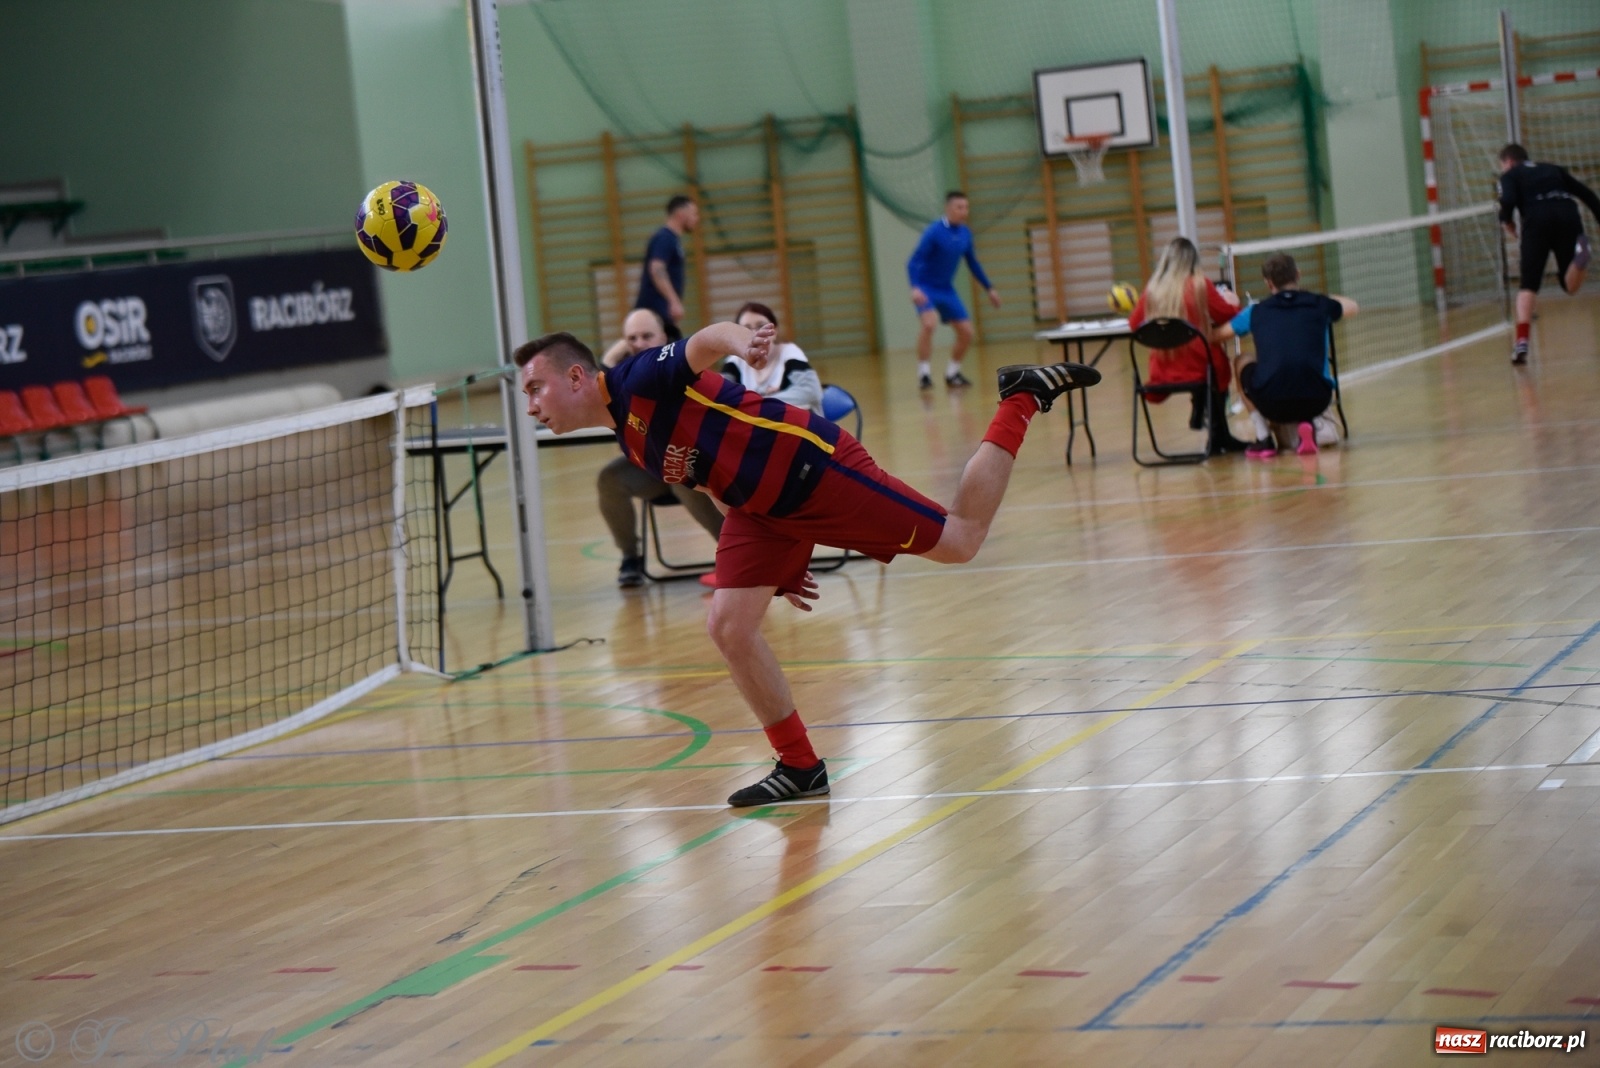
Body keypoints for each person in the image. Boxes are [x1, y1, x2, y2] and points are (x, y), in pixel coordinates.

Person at [517, 324, 1099, 806]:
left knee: (961, 539)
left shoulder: (639, 377)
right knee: (729, 626)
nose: (531, 405)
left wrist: (742, 340)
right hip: (759, 511)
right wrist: (771, 565)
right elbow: (712, 483)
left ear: (574, 376)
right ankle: (800, 768)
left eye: (535, 388)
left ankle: (1020, 398)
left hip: (813, 470)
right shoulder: (631, 440)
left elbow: (703, 341)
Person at [594, 308, 724, 588]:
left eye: (647, 336)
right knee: (610, 479)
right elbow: (598, 393)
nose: (639, 343)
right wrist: (611, 358)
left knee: (682, 481)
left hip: (694, 464)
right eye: (632, 338)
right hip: (652, 467)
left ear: (664, 337)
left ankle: (734, 557)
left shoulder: (680, 364)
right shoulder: (625, 375)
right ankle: (630, 559)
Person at [1213, 253, 1357, 458]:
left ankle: (1264, 438)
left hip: (1271, 404)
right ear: (1298, 274)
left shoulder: (1256, 311)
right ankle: (1307, 421)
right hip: (1318, 399)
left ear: (1268, 283)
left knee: (1241, 360)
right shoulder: (1318, 304)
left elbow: (1217, 335)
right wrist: (1324, 299)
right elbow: (1352, 306)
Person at [1126, 236, 1247, 455]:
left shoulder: (1153, 290)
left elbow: (1135, 324)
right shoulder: (1199, 285)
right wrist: (1233, 301)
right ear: (1192, 260)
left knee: (1206, 364)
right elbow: (1229, 315)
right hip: (1200, 367)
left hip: (1163, 368)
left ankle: (1201, 412)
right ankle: (1219, 432)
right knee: (1216, 363)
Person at [1497, 143, 1600, 364]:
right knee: (1570, 286)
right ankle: (1581, 256)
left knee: (1528, 286)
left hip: (1536, 221)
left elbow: (1507, 200)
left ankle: (1522, 342)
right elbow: (1588, 195)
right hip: (1567, 214)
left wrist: (1505, 220)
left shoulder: (1510, 175)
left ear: (1509, 162)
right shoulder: (1553, 169)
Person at [907, 191, 1001, 391]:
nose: (964, 211)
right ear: (948, 209)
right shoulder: (934, 232)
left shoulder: (965, 233)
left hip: (946, 289)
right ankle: (924, 374)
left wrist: (989, 288)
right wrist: (915, 287)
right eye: (959, 207)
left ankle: (952, 374)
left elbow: (973, 263)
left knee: (967, 333)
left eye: (966, 207)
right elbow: (914, 261)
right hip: (926, 287)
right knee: (929, 324)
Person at [720, 302, 823, 415]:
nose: (755, 333)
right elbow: (720, 398)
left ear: (775, 331)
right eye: (747, 329)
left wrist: (761, 402)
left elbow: (811, 392)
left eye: (761, 326)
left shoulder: (789, 352)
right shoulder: (735, 361)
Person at [634, 195, 699, 340]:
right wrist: (674, 301)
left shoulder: (673, 240)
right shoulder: (665, 238)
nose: (697, 218)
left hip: (661, 315)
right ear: (680, 214)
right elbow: (657, 269)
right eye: (694, 213)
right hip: (653, 314)